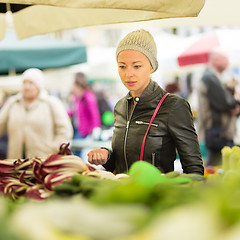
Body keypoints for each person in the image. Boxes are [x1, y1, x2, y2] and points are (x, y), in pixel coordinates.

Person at [87, 29, 204, 175]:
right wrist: (106, 156)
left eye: (137, 66)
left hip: (156, 195)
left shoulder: (173, 105)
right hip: (122, 194)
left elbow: (194, 169)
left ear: (152, 66)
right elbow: (121, 165)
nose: (128, 74)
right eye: (122, 66)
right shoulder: (120, 107)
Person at [0, 68, 73, 159]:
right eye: (24, 83)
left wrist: (54, 151)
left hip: (43, 162)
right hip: (15, 162)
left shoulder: (51, 103)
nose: (26, 87)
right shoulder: (13, 103)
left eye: (31, 83)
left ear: (39, 86)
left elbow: (65, 132)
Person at [197, 48, 240, 166]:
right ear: (215, 60)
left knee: (219, 165)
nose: (228, 63)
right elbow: (223, 103)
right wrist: (236, 101)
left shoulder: (213, 77)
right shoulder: (210, 78)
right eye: (225, 59)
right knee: (219, 166)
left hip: (219, 131)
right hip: (218, 131)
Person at [68, 72, 101, 141]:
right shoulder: (77, 98)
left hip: (86, 131)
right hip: (78, 129)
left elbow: (94, 113)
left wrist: (96, 127)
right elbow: (74, 112)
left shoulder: (88, 97)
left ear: (78, 86)